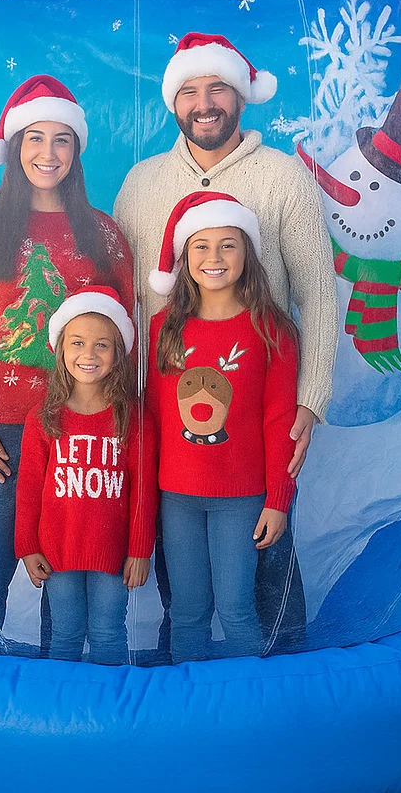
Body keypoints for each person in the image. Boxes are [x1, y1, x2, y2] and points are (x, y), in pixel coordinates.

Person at [113, 31, 338, 654]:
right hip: (168, 424)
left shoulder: (283, 179)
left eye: (216, 88)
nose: (203, 103)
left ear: (240, 95)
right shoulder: (141, 184)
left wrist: (310, 399)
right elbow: (124, 303)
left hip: (258, 408)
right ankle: (187, 699)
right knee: (179, 582)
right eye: (189, 91)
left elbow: (318, 292)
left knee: (265, 564)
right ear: (173, 102)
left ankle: (281, 686)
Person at [0, 75, 133, 654]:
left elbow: (128, 342)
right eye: (35, 139)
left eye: (62, 140)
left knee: (67, 573)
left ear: (77, 151)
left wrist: (122, 426)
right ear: (15, 147)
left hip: (85, 435)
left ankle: (60, 692)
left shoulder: (105, 237)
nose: (48, 154)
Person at [146, 192, 298, 663]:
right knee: (188, 610)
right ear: (184, 258)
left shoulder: (272, 329)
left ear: (247, 253)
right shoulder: (161, 330)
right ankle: (186, 716)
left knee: (236, 609)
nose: (214, 258)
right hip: (176, 496)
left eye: (227, 245)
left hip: (242, 497)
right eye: (201, 247)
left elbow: (279, 422)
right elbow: (151, 418)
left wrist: (278, 499)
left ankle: (253, 716)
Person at [15, 287, 157, 665]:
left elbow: (143, 492)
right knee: (65, 633)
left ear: (118, 353)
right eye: (77, 342)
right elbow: (28, 489)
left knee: (109, 631)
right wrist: (27, 547)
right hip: (58, 549)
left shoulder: (134, 417)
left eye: (101, 345)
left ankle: (110, 717)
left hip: (112, 552)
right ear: (61, 349)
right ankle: (62, 717)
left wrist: (140, 551)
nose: (88, 354)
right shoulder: (43, 418)